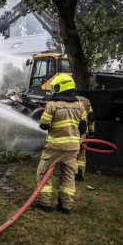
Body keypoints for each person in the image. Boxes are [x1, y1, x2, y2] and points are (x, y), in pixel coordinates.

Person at [35, 73, 87, 214]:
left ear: (60, 87)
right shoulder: (80, 106)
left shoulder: (52, 105)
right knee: (69, 176)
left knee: (43, 173)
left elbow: (44, 125)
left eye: (54, 87)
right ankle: (65, 206)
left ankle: (45, 204)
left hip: (55, 147)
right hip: (73, 148)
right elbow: (83, 127)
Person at [75, 95, 96, 181]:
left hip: (72, 130)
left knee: (71, 152)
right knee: (81, 152)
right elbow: (91, 117)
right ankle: (80, 173)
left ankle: (70, 173)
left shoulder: (72, 99)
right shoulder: (87, 101)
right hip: (83, 131)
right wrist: (91, 131)